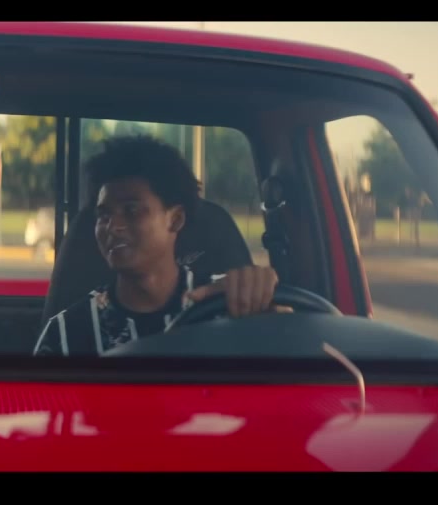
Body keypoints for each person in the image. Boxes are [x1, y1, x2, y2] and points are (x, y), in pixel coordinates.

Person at [34, 135, 283, 356]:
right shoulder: (66, 333)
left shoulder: (232, 302)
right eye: (104, 215)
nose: (112, 226)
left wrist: (272, 309)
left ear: (175, 219)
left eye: (131, 210)